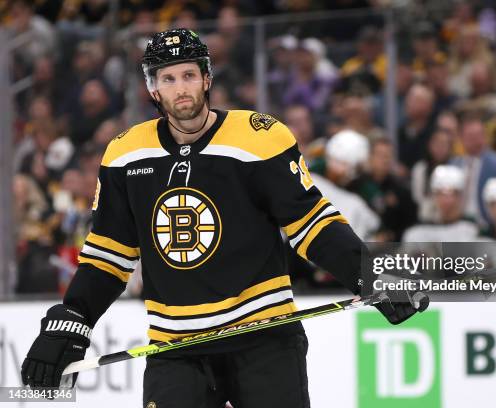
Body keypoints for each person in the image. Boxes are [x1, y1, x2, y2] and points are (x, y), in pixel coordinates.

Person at [20, 28, 425, 408]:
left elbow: (312, 225)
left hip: (264, 338)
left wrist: (368, 273)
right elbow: (108, 257)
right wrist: (71, 318)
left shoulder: (260, 138)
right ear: (152, 88)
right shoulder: (124, 156)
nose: (181, 89)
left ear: (207, 78)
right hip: (176, 347)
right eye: (168, 79)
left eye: (189, 75)